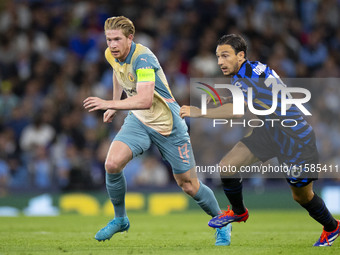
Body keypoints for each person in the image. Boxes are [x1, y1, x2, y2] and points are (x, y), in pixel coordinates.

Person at [180, 34, 340, 247]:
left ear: (241, 55)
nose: (220, 62)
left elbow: (238, 111)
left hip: (294, 139)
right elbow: (253, 98)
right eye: (218, 56)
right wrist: (226, 98)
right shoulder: (249, 70)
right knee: (227, 167)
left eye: (225, 56)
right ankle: (238, 212)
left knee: (302, 197)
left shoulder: (249, 76)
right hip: (270, 131)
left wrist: (198, 111)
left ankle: (332, 227)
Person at [83, 16, 231, 246]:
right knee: (112, 164)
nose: (112, 45)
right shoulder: (111, 53)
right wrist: (115, 100)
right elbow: (117, 71)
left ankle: (222, 220)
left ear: (130, 38)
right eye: (108, 39)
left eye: (117, 39)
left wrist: (109, 104)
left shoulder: (143, 59)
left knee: (188, 184)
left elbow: (143, 99)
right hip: (139, 121)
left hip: (168, 124)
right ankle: (120, 219)